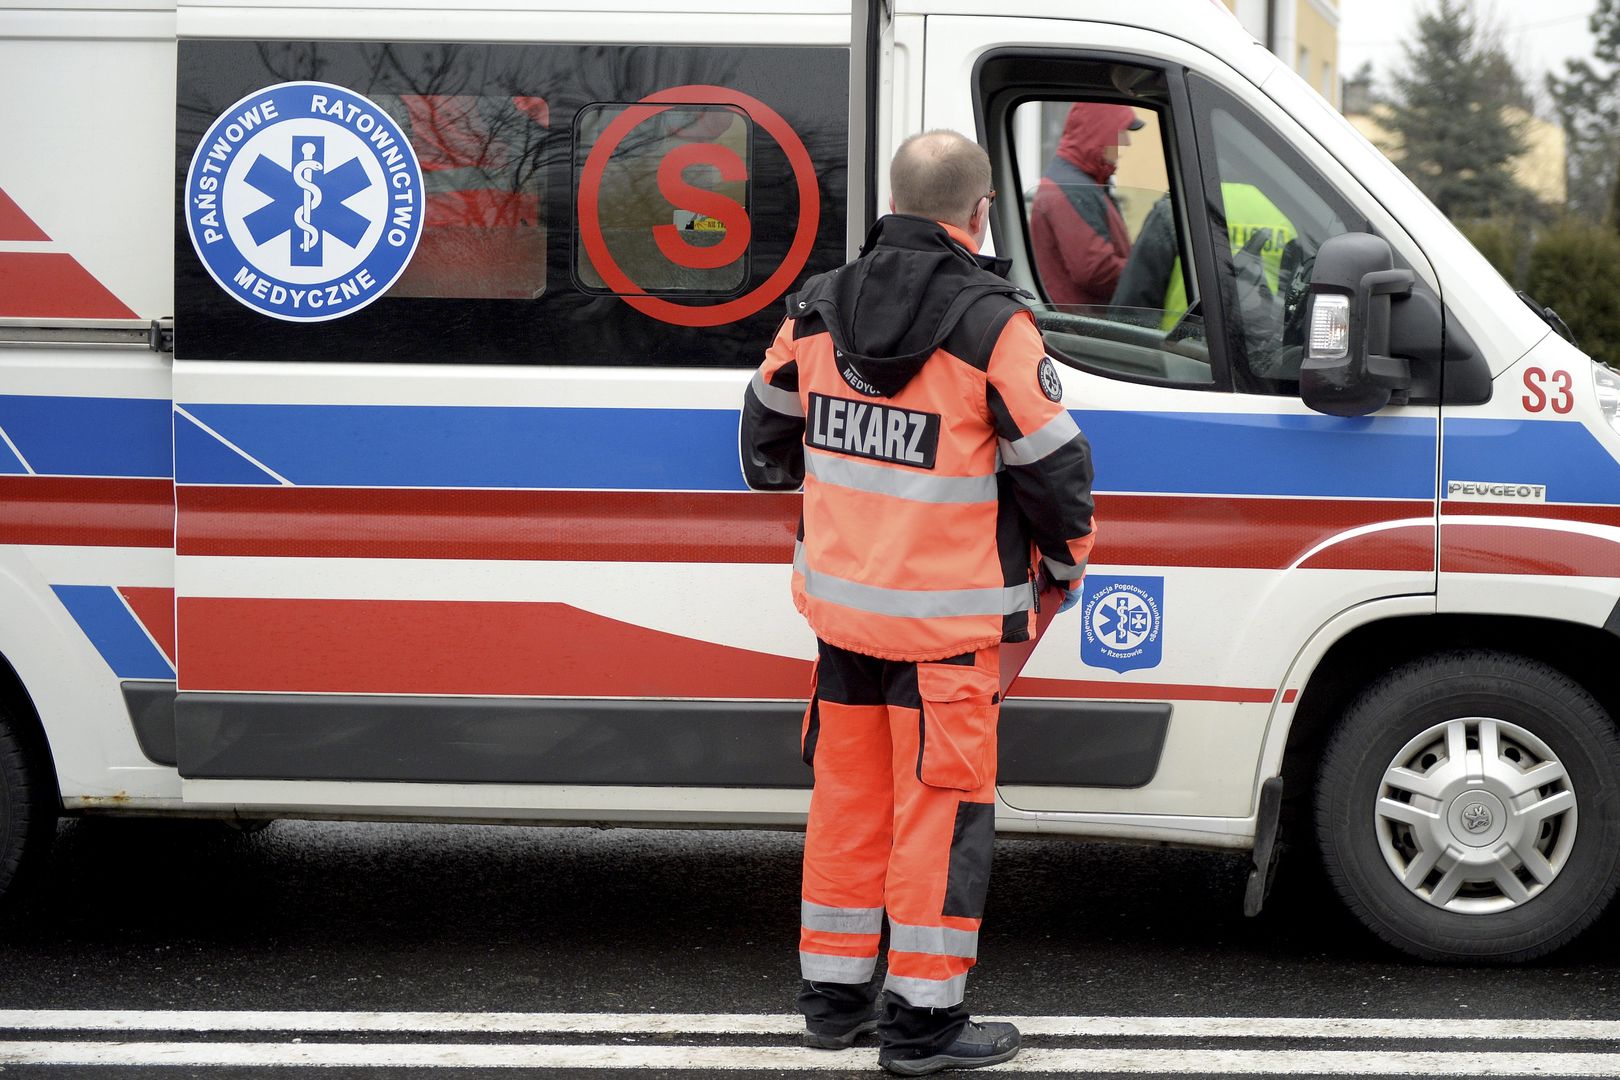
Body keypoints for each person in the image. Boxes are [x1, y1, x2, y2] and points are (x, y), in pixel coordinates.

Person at [739, 130, 1097, 1076]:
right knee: (939, 819)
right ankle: (923, 1028)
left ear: (892, 204)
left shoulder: (818, 308)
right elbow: (1054, 471)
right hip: (950, 630)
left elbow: (764, 437)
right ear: (978, 214)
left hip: (846, 623)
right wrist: (1064, 565)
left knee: (850, 810)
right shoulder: (994, 326)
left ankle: (833, 1003)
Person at [1028, 103, 1142, 308]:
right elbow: (1095, 271)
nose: (1127, 142)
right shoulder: (1073, 188)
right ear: (1100, 132)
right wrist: (1148, 272)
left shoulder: (1081, 182)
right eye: (1121, 132)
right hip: (1082, 331)